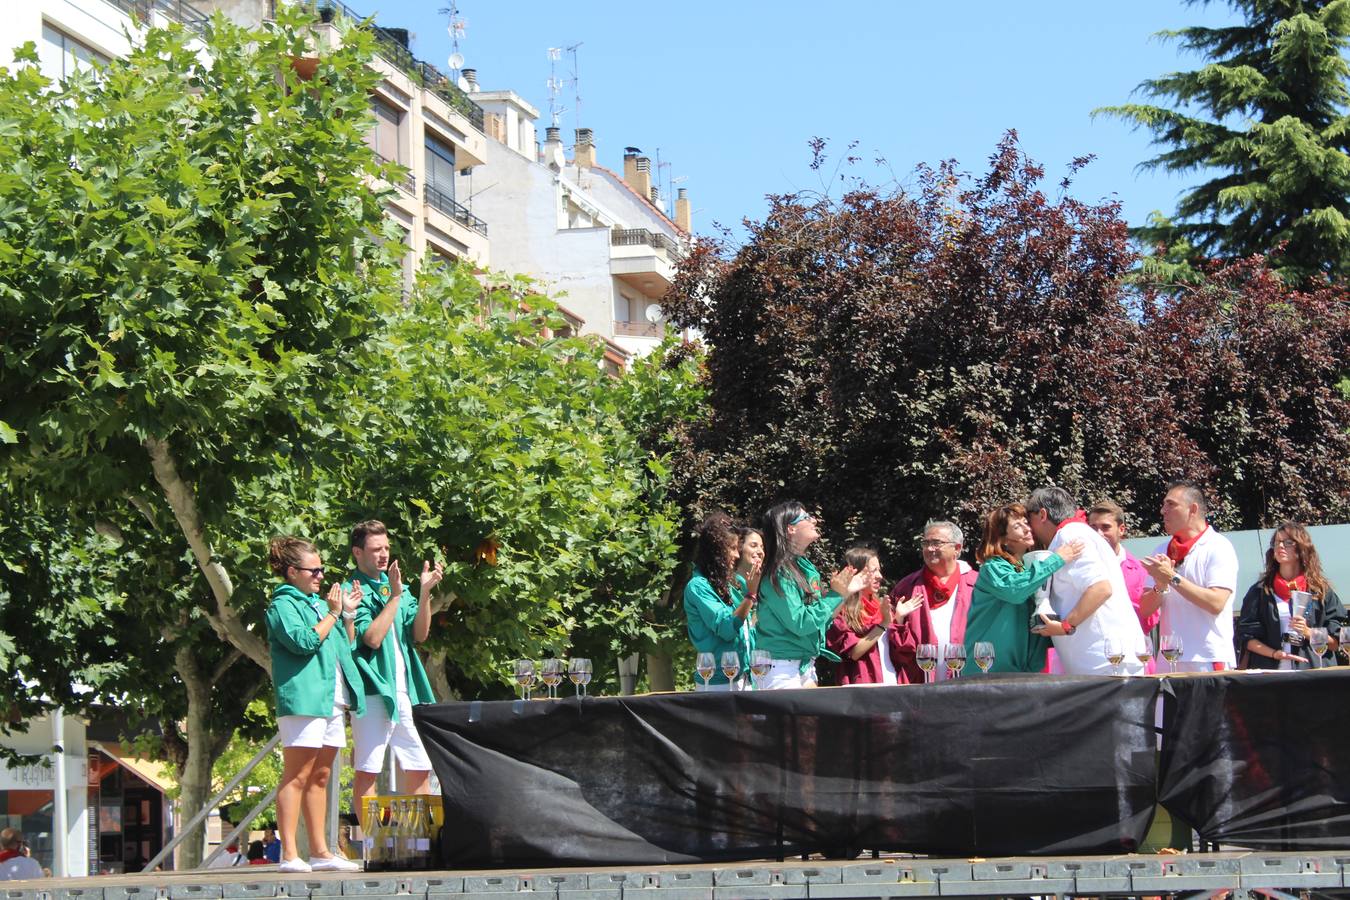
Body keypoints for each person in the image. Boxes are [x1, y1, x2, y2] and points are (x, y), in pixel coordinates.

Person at [265, 535, 363, 873]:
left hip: (331, 699)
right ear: (293, 572)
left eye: (322, 570)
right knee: (297, 774)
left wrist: (346, 616)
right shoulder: (282, 605)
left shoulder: (320, 605)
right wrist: (334, 614)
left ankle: (321, 852)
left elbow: (343, 648)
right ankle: (289, 853)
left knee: (321, 776)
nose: (321, 576)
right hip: (304, 697)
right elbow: (303, 641)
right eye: (314, 571)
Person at [348, 521, 445, 821]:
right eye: (376, 549)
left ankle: (418, 840)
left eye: (386, 548)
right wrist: (394, 597)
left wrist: (424, 592)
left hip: (405, 691)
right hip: (375, 692)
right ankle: (369, 846)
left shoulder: (394, 585)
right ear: (357, 553)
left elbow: (419, 634)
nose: (383, 554)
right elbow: (372, 638)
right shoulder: (355, 589)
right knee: (368, 769)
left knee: (418, 764)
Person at [1024, 487, 1146, 675]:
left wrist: (1066, 625)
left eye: (1028, 518)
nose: (1029, 527)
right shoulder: (1079, 532)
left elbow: (1101, 588)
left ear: (1042, 514)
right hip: (1105, 660)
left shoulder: (1069, 535)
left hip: (1102, 663)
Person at [755, 501, 864, 689]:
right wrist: (834, 595)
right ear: (790, 529)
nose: (814, 520)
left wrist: (843, 594)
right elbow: (801, 623)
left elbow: (820, 621)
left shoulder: (804, 568)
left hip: (804, 666)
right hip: (781, 669)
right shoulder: (779, 573)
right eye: (806, 517)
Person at [963, 504, 1083, 673]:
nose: (1027, 529)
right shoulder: (992, 567)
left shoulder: (1028, 569)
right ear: (1002, 538)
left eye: (1026, 523)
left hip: (1024, 674)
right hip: (987, 672)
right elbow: (1015, 591)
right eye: (1017, 526)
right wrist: (1058, 559)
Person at [1138, 481, 1239, 671]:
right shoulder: (1161, 550)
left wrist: (1172, 578)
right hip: (1169, 659)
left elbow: (1216, 603)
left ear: (1193, 509)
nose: (1163, 511)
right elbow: (1144, 610)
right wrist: (1159, 586)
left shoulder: (1218, 546)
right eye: (1164, 504)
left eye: (1171, 504)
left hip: (1208, 658)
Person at [1236, 522, 1346, 668]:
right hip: (1271, 676)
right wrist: (1275, 653)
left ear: (1301, 548)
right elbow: (1246, 637)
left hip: (1312, 674)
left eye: (1287, 542)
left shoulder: (1320, 592)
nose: (1280, 546)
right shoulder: (1260, 591)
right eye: (1276, 543)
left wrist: (1308, 632)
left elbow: (1335, 642)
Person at [889, 521, 979, 682]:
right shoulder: (907, 587)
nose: (929, 549)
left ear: (957, 548)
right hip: (918, 684)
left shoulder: (977, 585)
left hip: (969, 682)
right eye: (926, 543)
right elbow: (894, 644)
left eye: (937, 543)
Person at [826, 546, 922, 684]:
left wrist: (898, 619)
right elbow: (854, 653)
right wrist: (883, 624)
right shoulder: (840, 610)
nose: (880, 576)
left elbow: (902, 656)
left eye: (879, 570)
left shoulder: (882, 607)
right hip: (863, 688)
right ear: (857, 573)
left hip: (893, 684)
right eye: (873, 571)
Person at [684, 511, 755, 690]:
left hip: (745, 678)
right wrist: (751, 595)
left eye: (737, 548)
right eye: (731, 548)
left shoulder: (735, 584)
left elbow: (750, 626)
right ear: (716, 551)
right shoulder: (698, 587)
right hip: (717, 684)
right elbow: (727, 628)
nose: (737, 555)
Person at [1089, 499, 1156, 672]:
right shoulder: (1081, 567)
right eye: (1093, 527)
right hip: (1092, 658)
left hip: (1133, 659)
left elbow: (1149, 618)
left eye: (1105, 527)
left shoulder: (1140, 570)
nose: (1098, 533)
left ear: (1121, 530)